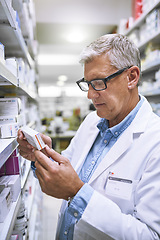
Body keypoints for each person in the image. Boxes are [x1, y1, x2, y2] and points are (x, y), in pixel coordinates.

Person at [17, 34, 160, 240]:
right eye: (87, 84)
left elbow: (151, 236)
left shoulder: (155, 141)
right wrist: (41, 155)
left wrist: (77, 193)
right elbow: (69, 172)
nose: (90, 95)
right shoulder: (91, 121)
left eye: (99, 83)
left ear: (132, 77)